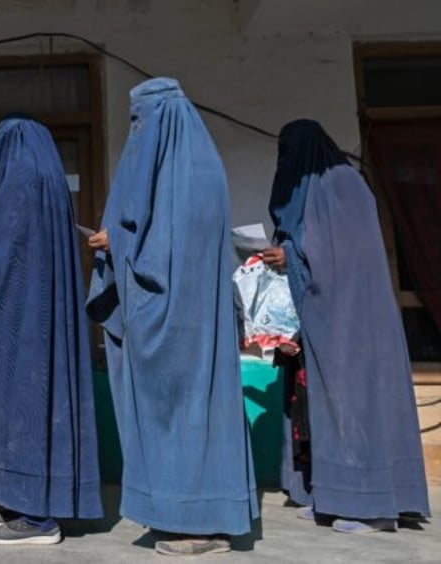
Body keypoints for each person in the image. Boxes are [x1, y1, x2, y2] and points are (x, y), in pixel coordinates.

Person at [86, 77, 258, 556]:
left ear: (162, 119)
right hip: (189, 319)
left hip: (179, 324)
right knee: (189, 415)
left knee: (187, 415)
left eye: (142, 120)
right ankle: (178, 513)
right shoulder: (202, 166)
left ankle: (201, 521)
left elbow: (168, 247)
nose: (136, 130)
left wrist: (116, 242)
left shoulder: (187, 174)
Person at [262, 119, 430, 533]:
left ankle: (371, 506)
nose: (287, 162)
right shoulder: (315, 188)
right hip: (322, 320)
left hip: (353, 323)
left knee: (354, 404)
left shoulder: (341, 184)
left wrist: (293, 254)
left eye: (292, 152)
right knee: (320, 407)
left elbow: (344, 257)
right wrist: (286, 251)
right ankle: (331, 493)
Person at [0, 114, 103, 545]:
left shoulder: (17, 178)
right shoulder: (49, 179)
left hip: (17, 324)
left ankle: (36, 516)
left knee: (19, 409)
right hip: (47, 320)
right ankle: (40, 505)